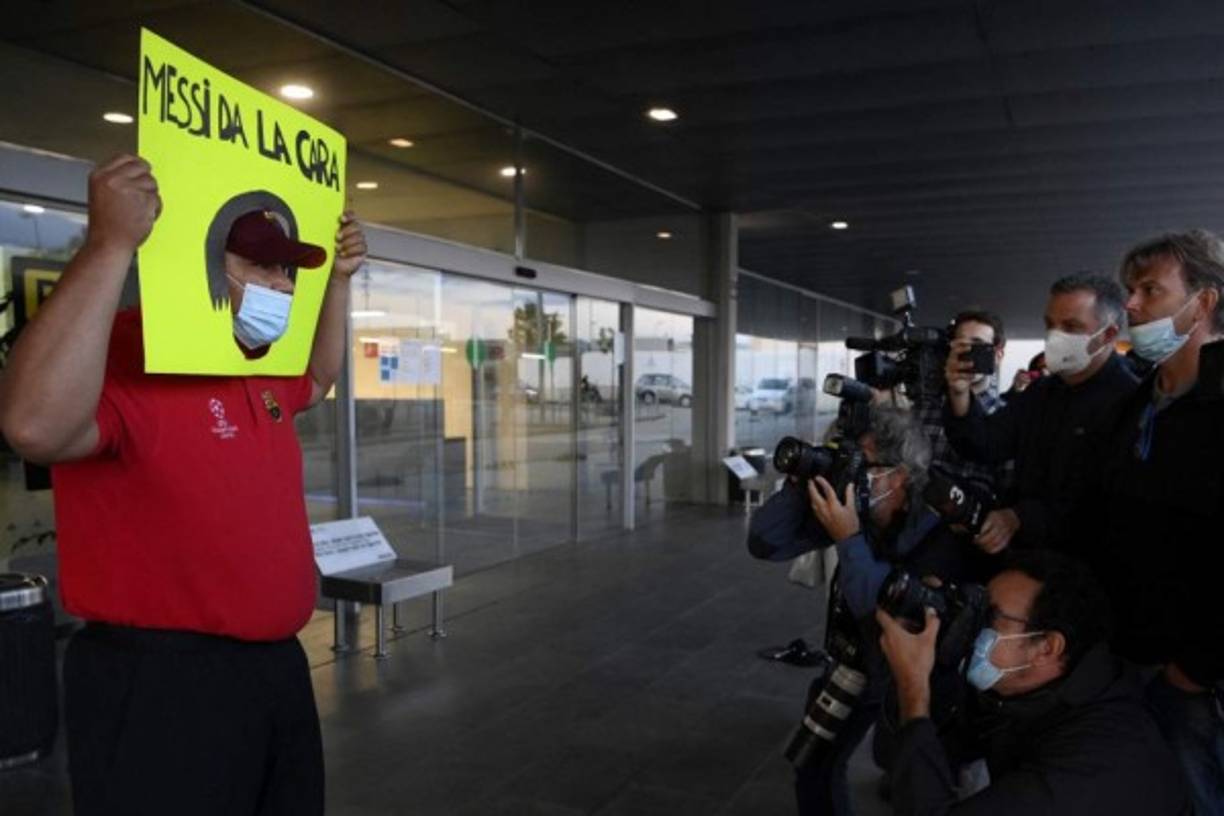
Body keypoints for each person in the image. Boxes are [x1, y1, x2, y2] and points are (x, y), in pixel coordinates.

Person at [0, 154, 367, 816]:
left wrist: (337, 283)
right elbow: (33, 427)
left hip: (277, 671)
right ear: (199, 263)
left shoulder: (254, 361)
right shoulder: (129, 351)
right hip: (163, 683)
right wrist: (110, 244)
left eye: (287, 270)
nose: (280, 285)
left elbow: (318, 379)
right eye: (260, 266)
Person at [748, 408, 984, 816]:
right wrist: (802, 481)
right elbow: (765, 541)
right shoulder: (858, 504)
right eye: (849, 459)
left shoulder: (936, 527)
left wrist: (849, 539)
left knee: (911, 779)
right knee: (813, 764)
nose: (852, 474)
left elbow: (885, 613)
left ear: (900, 475)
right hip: (851, 660)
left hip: (905, 671)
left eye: (864, 465)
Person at [876, 550, 1190, 815]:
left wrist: (913, 689)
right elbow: (895, 758)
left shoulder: (1093, 763)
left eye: (989, 618)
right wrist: (935, 662)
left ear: (1047, 647)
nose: (973, 625)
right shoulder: (1031, 688)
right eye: (975, 606)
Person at [1090, 229, 1224, 814]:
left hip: (1191, 675)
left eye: (1151, 289)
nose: (1134, 305)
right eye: (1130, 290)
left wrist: (1197, 667)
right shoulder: (1134, 403)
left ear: (1205, 301)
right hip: (1124, 650)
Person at [942, 274, 1136, 555]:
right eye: (1050, 325)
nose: (1055, 336)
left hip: (1085, 567)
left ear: (1108, 334)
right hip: (1023, 553)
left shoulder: (1129, 400)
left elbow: (1102, 503)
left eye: (1071, 326)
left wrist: (1020, 516)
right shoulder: (1041, 392)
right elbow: (985, 444)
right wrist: (959, 393)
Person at [912, 309, 1010, 502]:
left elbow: (1009, 490)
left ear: (998, 356)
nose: (968, 355)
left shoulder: (1007, 416)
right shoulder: (924, 406)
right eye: (961, 346)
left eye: (978, 346)